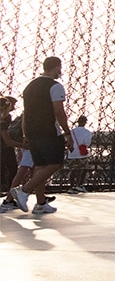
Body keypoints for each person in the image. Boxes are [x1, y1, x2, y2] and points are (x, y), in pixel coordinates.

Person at [9, 57, 74, 214]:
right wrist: (67, 133)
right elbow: (59, 112)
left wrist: (25, 133)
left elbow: (25, 114)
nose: (60, 71)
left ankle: (41, 203)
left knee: (40, 166)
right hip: (48, 131)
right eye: (60, 68)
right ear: (57, 67)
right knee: (56, 163)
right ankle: (24, 190)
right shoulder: (55, 86)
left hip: (32, 132)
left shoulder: (29, 87)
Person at [65, 116, 92, 193]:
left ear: (78, 122)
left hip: (72, 153)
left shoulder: (72, 131)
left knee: (73, 170)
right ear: (85, 122)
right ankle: (79, 185)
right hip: (82, 154)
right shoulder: (87, 132)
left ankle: (71, 187)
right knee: (84, 169)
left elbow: (67, 141)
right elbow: (87, 143)